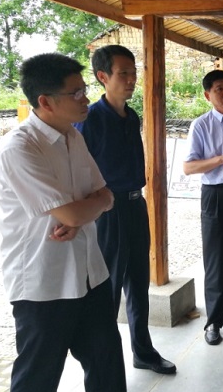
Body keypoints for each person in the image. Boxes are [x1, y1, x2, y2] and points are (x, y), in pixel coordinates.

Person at [0, 53, 130, 392]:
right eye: (77, 93)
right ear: (46, 101)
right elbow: (74, 213)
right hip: (44, 284)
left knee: (106, 366)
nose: (86, 98)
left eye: (85, 90)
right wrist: (85, 210)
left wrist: (87, 209)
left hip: (89, 273)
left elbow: (105, 194)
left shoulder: (73, 136)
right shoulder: (19, 147)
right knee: (38, 381)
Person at [75, 45, 176, 375]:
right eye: (123, 73)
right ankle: (104, 360)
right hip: (108, 211)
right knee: (109, 288)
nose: (132, 79)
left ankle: (142, 351)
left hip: (135, 205)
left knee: (138, 283)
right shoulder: (90, 119)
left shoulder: (131, 116)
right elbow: (78, 172)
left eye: (134, 73)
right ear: (103, 77)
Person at [183, 70, 223, 345]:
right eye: (219, 89)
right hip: (215, 195)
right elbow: (189, 167)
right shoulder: (201, 125)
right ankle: (214, 322)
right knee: (216, 260)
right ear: (208, 95)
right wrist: (221, 160)